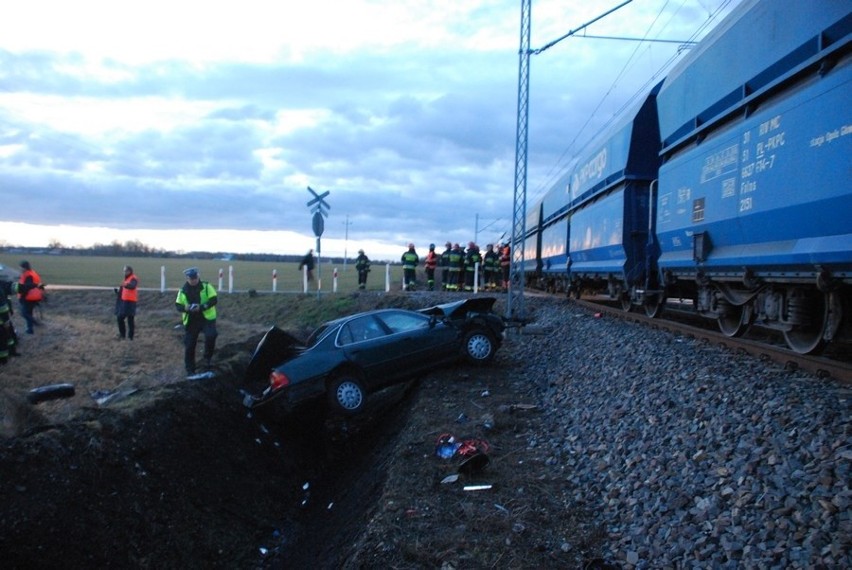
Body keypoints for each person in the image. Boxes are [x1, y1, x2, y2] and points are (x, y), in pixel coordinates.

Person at [175, 267, 218, 375]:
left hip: (206, 319)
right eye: (191, 278)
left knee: (211, 335)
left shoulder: (207, 286)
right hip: (191, 321)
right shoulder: (183, 290)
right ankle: (190, 370)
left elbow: (214, 300)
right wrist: (186, 308)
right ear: (187, 278)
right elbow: (178, 305)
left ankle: (207, 359)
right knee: (189, 345)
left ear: (198, 277)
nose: (193, 280)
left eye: (195, 278)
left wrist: (202, 307)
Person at [17, 260, 44, 334]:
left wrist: (22, 296)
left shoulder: (28, 275)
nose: (19, 269)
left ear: (24, 268)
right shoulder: (32, 273)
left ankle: (36, 323)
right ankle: (30, 330)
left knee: (24, 313)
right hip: (34, 296)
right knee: (29, 313)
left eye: (20, 267)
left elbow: (26, 287)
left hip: (28, 297)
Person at [115, 265, 139, 340]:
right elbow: (124, 290)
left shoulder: (133, 278)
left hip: (130, 302)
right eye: (124, 271)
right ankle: (124, 335)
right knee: (122, 318)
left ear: (130, 271)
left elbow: (132, 286)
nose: (124, 272)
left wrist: (126, 285)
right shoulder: (127, 279)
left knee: (128, 319)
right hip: (125, 302)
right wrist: (117, 292)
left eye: (126, 271)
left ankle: (128, 336)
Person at [0, 279, 19, 363]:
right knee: (4, 339)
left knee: (7, 337)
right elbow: (3, 308)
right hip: (3, 321)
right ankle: (5, 358)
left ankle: (10, 352)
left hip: (3, 321)